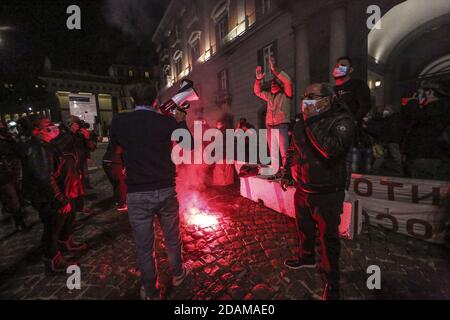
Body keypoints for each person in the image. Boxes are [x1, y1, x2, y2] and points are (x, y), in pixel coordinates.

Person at [110, 83, 192, 300]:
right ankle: (178, 274)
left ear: (132, 101)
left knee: (145, 246)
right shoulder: (166, 121)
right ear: (155, 101)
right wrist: (181, 120)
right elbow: (189, 145)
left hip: (137, 192)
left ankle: (152, 291)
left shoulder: (119, 121)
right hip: (165, 190)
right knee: (172, 238)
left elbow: (114, 151)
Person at [281, 83, 355, 300]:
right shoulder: (302, 121)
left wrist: (311, 120)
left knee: (328, 238)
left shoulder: (342, 120)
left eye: (311, 96)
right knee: (304, 228)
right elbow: (293, 148)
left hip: (327, 191)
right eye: (304, 96)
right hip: (303, 187)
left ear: (327, 99)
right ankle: (306, 257)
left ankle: (332, 284)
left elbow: (330, 150)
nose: (306, 100)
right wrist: (287, 172)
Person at [22, 117, 86, 272]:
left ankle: (62, 246)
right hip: (47, 197)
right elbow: (45, 177)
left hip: (54, 193)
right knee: (52, 228)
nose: (53, 127)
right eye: (48, 126)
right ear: (37, 131)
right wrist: (59, 200)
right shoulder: (38, 148)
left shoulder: (46, 144)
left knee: (59, 224)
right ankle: (53, 260)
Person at [254, 55, 293, 177]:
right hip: (270, 126)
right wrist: (258, 80)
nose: (273, 85)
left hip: (281, 126)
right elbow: (257, 91)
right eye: (272, 84)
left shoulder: (286, 94)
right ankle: (275, 172)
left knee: (284, 153)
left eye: (275, 84)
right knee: (273, 153)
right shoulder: (269, 96)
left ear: (280, 86)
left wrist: (274, 69)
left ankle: (287, 174)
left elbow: (287, 81)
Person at [333, 56, 372, 175]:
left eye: (343, 65)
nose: (339, 68)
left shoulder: (357, 84)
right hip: (334, 134)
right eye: (337, 65)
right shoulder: (331, 90)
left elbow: (365, 105)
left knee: (351, 167)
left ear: (350, 70)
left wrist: (353, 121)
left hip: (352, 134)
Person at [403, 84, 449, 180]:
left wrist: (414, 101)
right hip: (432, 155)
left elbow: (415, 116)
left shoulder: (436, 107)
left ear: (430, 92)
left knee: (422, 188)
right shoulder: (441, 107)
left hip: (426, 155)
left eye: (421, 93)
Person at [0, 120, 27, 231]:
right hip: (3, 176)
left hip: (14, 173)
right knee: (13, 198)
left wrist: (15, 139)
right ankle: (19, 222)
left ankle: (16, 215)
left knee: (17, 196)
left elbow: (19, 151)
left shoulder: (9, 138)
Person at [102, 142, 127, 212]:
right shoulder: (123, 138)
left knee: (116, 183)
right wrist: (124, 165)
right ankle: (122, 204)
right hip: (115, 161)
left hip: (106, 161)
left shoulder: (114, 138)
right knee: (121, 183)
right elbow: (124, 152)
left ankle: (118, 200)